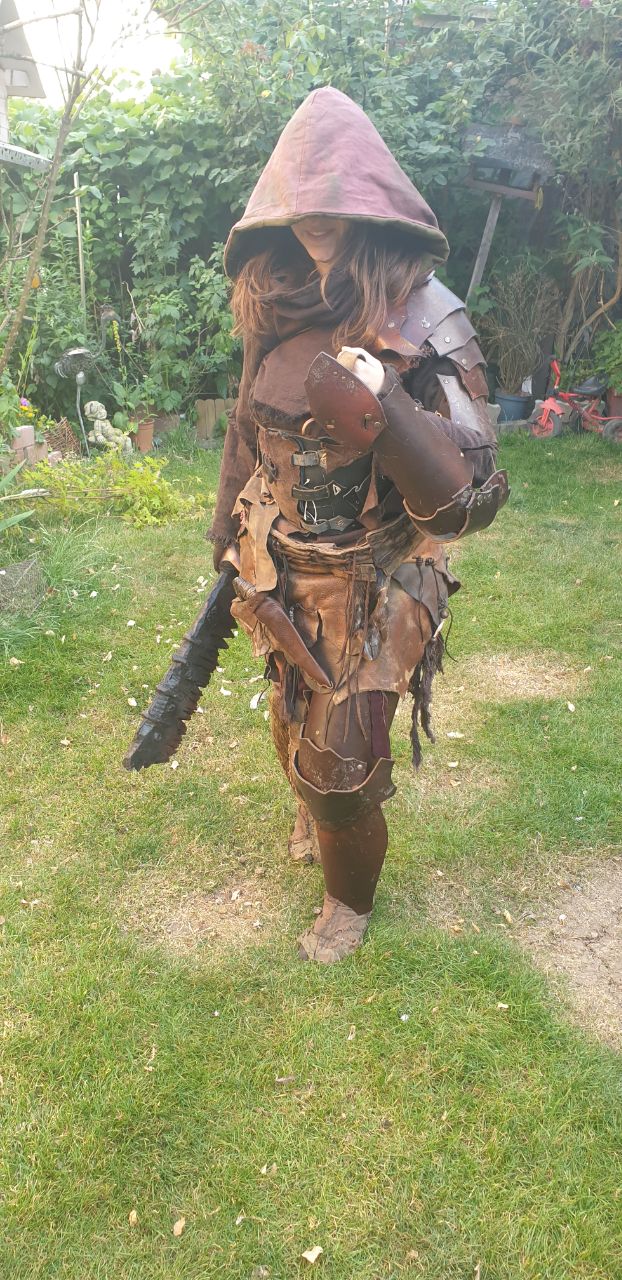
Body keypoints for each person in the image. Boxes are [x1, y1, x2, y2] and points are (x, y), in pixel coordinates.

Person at [210, 87, 508, 963]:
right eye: (300, 205)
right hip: (279, 559)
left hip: (377, 572)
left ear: (375, 204)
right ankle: (311, 811)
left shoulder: (424, 313)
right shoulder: (274, 296)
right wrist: (225, 536)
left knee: (341, 765)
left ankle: (348, 901)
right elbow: (246, 430)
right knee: (290, 706)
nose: (315, 222)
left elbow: (474, 491)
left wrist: (386, 403)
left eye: (333, 205)